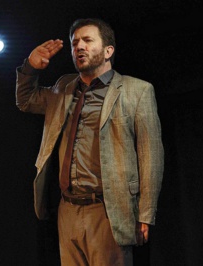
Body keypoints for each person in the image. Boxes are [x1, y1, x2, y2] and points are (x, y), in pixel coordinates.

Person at [16, 18, 164, 266]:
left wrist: (146, 214)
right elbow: (26, 100)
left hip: (108, 210)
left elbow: (151, 156)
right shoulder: (63, 87)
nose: (79, 47)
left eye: (87, 41)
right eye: (75, 43)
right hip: (68, 209)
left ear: (108, 51)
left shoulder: (136, 91)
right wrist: (30, 67)